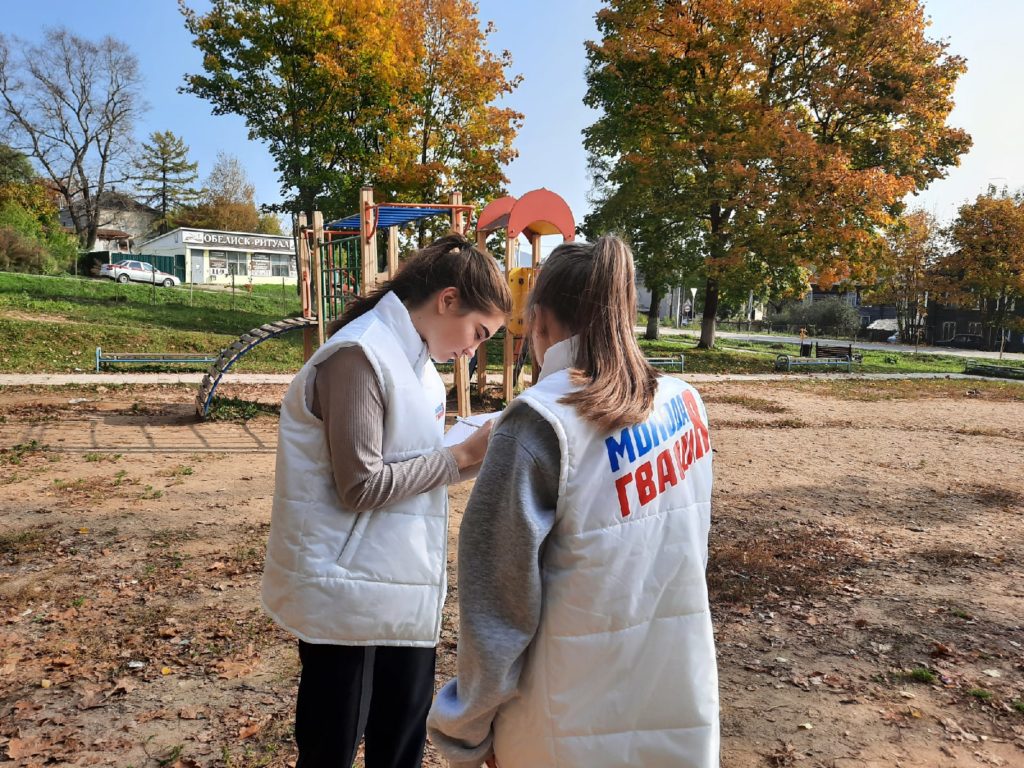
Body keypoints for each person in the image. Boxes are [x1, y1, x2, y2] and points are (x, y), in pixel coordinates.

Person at [427, 235, 719, 768]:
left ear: (538, 322)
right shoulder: (687, 403)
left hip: (561, 724)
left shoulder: (538, 423)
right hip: (679, 701)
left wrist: (466, 732)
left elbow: (497, 609)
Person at [261, 233, 512, 768]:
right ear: (447, 300)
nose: (474, 348)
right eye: (477, 331)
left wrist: (473, 459)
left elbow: (410, 469)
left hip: (400, 584)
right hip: (347, 595)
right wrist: (460, 457)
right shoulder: (359, 354)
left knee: (400, 743)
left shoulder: (417, 363)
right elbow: (361, 484)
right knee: (332, 747)